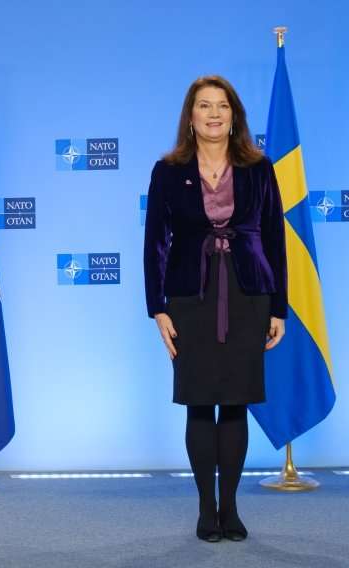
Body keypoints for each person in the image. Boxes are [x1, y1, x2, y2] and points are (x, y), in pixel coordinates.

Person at [143, 75, 287, 543]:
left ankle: (232, 508)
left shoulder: (259, 168)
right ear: (191, 117)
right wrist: (157, 309)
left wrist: (278, 308)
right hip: (190, 299)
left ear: (234, 116)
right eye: (204, 106)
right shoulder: (168, 171)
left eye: (222, 106)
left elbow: (274, 239)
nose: (213, 114)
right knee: (200, 403)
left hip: (248, 297)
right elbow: (154, 245)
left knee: (237, 403)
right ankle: (207, 509)